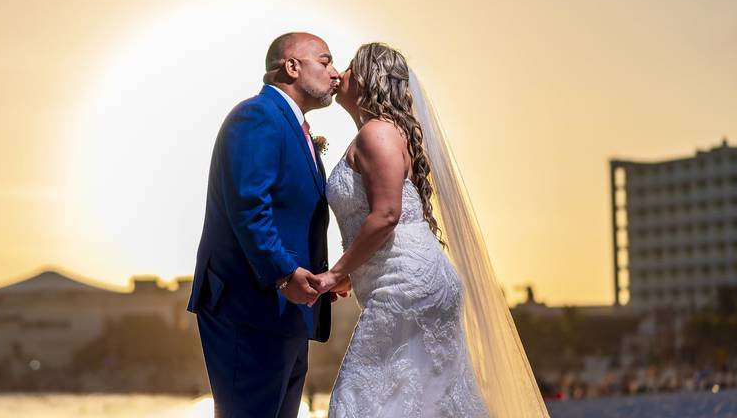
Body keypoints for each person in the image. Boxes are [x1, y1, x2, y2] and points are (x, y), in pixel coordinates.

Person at [310, 42, 550, 418]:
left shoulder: (377, 133)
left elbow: (387, 214)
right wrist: (352, 274)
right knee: (426, 404)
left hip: (406, 286)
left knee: (356, 402)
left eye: (352, 67)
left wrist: (335, 274)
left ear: (371, 79)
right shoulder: (382, 134)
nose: (341, 73)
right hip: (413, 282)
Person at [186, 32, 347, 418]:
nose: (335, 73)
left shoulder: (294, 126)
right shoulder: (257, 116)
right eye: (325, 62)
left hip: (286, 310)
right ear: (292, 66)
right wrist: (283, 273)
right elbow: (248, 205)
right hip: (251, 305)